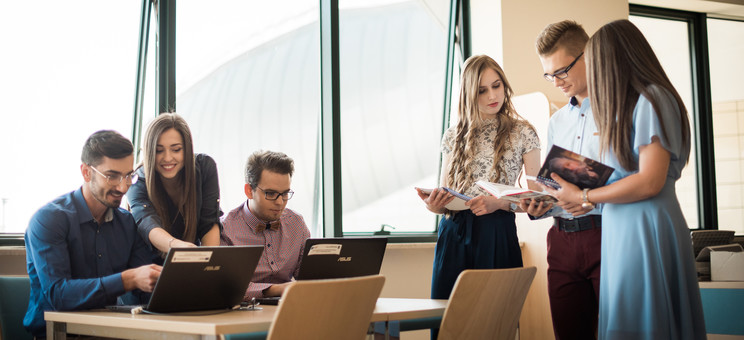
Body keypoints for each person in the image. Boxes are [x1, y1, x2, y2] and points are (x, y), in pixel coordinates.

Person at [545, 19, 706, 339]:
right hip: (619, 227)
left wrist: (583, 198)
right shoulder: (625, 107)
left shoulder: (653, 99)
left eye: (598, 65)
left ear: (615, 60)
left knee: (648, 322)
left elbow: (649, 181)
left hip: (644, 224)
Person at [416, 54, 541, 338]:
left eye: (496, 86)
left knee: (494, 323)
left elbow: (538, 200)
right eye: (482, 90)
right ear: (469, 94)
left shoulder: (523, 132)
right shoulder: (453, 135)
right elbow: (446, 191)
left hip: (496, 231)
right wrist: (434, 206)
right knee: (448, 323)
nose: (492, 95)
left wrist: (499, 203)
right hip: (452, 232)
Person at [24, 130, 161, 338]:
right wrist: (128, 279)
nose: (123, 186)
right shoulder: (49, 220)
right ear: (86, 172)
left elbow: (144, 293)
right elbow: (59, 296)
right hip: (58, 335)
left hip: (108, 333)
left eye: (128, 176)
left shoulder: (127, 224)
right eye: (112, 176)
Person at [520, 20, 603, 340]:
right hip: (562, 241)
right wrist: (541, 205)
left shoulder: (617, 112)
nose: (555, 82)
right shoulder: (556, 122)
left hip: (606, 234)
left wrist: (587, 198)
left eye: (561, 71)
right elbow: (555, 185)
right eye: (548, 74)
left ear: (587, 56)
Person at [128, 113, 222, 264]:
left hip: (193, 261)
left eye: (176, 149)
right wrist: (178, 246)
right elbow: (147, 224)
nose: (167, 158)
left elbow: (209, 222)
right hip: (152, 266)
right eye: (159, 151)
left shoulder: (205, 167)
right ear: (149, 152)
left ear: (187, 149)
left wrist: (208, 265)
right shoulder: (137, 180)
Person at [220, 150, 310, 299]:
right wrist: (278, 289)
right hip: (243, 311)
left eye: (285, 193)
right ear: (249, 191)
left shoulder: (297, 224)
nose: (280, 202)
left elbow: (308, 275)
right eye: (271, 193)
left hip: (289, 307)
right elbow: (228, 285)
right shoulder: (226, 230)